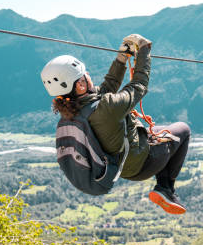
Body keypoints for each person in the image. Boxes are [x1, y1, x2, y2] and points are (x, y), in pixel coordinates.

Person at [40, 34, 190, 214]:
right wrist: (144, 51)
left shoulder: (72, 111)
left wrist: (121, 59)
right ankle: (165, 188)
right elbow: (139, 85)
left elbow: (105, 89)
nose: (88, 75)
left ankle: (164, 186)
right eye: (84, 75)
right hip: (144, 163)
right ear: (80, 85)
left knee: (161, 132)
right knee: (183, 130)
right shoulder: (107, 108)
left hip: (121, 166)